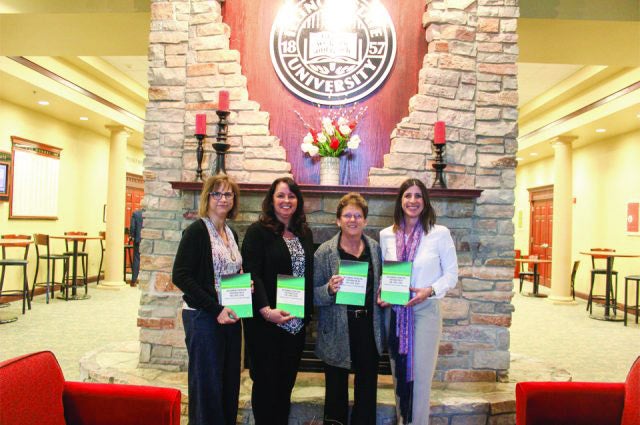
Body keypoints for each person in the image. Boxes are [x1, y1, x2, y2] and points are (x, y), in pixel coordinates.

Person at [378, 178, 458, 425]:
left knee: (420, 378)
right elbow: (386, 272)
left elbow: (452, 275)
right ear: (400, 201)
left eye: (418, 196)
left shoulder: (439, 233)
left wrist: (430, 290)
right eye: (407, 196)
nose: (412, 201)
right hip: (396, 312)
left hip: (426, 311)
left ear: (425, 201)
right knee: (399, 375)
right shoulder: (386, 235)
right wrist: (383, 292)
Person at [241, 177, 315, 425]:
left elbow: (306, 275)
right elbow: (252, 274)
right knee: (265, 384)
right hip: (266, 322)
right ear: (271, 200)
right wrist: (265, 310)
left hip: (293, 324)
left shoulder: (304, 233)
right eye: (281, 195)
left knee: (285, 386)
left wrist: (306, 315)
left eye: (291, 196)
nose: (286, 201)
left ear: (298, 201)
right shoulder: (257, 232)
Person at [171, 175, 242, 425]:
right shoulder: (197, 231)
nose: (223, 199)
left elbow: (228, 273)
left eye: (228, 194)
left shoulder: (230, 233)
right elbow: (180, 275)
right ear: (207, 198)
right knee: (207, 387)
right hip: (204, 317)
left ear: (234, 200)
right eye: (217, 194)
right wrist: (215, 309)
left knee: (229, 383)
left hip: (230, 316)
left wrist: (244, 284)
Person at [314, 192, 384, 425]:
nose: (352, 220)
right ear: (338, 220)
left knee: (366, 389)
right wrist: (329, 289)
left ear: (365, 220)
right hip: (337, 329)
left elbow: (383, 287)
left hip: (367, 327)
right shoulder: (324, 252)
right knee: (335, 390)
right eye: (347, 215)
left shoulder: (375, 249)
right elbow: (312, 295)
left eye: (358, 215)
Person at [129, 208, 143, 284]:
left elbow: (132, 227)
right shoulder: (150, 214)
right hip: (149, 240)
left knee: (136, 259)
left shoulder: (136, 214)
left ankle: (134, 280)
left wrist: (132, 236)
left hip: (138, 240)